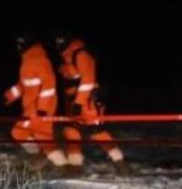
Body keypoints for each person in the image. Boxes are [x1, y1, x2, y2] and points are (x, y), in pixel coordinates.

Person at [54, 33, 127, 175]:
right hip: (73, 102)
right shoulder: (65, 57)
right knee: (71, 132)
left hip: (88, 104)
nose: (58, 43)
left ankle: (120, 162)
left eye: (61, 39)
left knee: (97, 133)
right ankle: (75, 166)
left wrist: (79, 103)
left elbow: (88, 81)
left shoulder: (81, 55)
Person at [4, 33, 68, 171]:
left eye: (20, 43)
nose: (18, 47)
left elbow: (49, 84)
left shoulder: (39, 59)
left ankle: (64, 167)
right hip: (30, 108)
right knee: (19, 132)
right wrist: (9, 96)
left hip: (41, 109)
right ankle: (39, 157)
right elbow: (24, 84)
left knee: (43, 138)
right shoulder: (27, 60)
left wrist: (43, 108)